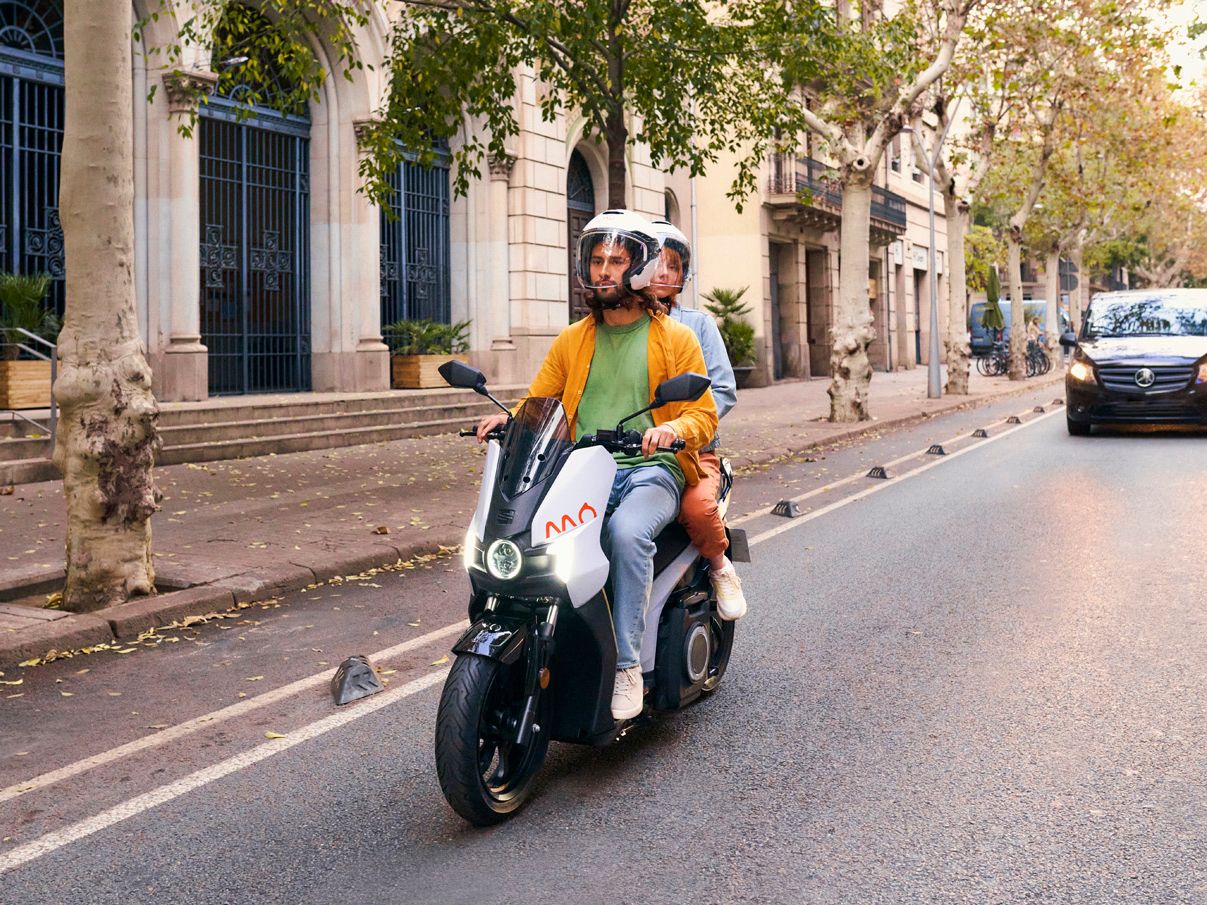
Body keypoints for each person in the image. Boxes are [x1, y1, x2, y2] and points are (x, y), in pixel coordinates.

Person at [475, 209, 717, 720]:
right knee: (535, 541)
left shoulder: (675, 338)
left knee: (627, 534)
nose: (604, 270)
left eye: (617, 260)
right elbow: (540, 400)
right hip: (583, 470)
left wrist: (673, 430)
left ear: (640, 268)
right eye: (597, 259)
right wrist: (507, 421)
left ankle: (628, 664)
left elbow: (703, 412)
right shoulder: (573, 338)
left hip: (653, 470)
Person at [647, 218, 746, 620]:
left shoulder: (697, 325)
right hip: (629, 452)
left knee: (698, 509)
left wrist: (684, 428)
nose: (663, 273)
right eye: (655, 264)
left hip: (691, 451)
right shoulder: (616, 325)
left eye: (672, 266)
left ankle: (721, 568)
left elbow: (722, 389)